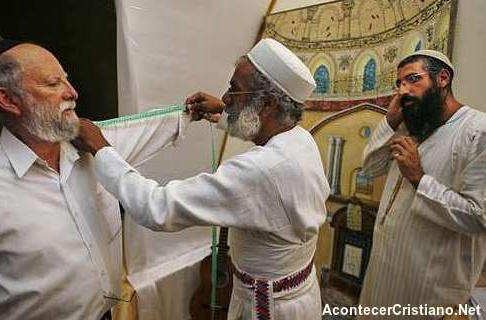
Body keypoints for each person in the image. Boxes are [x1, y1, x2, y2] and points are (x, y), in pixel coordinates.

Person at [74, 38, 331, 320]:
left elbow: (158, 208)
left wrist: (102, 149)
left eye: (235, 89)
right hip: (298, 293)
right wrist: (225, 113)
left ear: (267, 104)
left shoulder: (261, 172)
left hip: (267, 309)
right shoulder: (299, 139)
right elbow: (259, 130)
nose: (226, 96)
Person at [0, 40, 190, 319]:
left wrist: (192, 113)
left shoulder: (95, 150)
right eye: (52, 84)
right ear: (8, 99)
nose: (72, 93)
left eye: (67, 80)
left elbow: (147, 129)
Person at [359, 50, 486, 319]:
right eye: (399, 84)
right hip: (382, 277)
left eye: (413, 79)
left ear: (442, 78)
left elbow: (478, 218)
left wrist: (419, 178)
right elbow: (370, 169)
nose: (404, 90)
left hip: (428, 293)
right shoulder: (411, 125)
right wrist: (390, 121)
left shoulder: (478, 132)